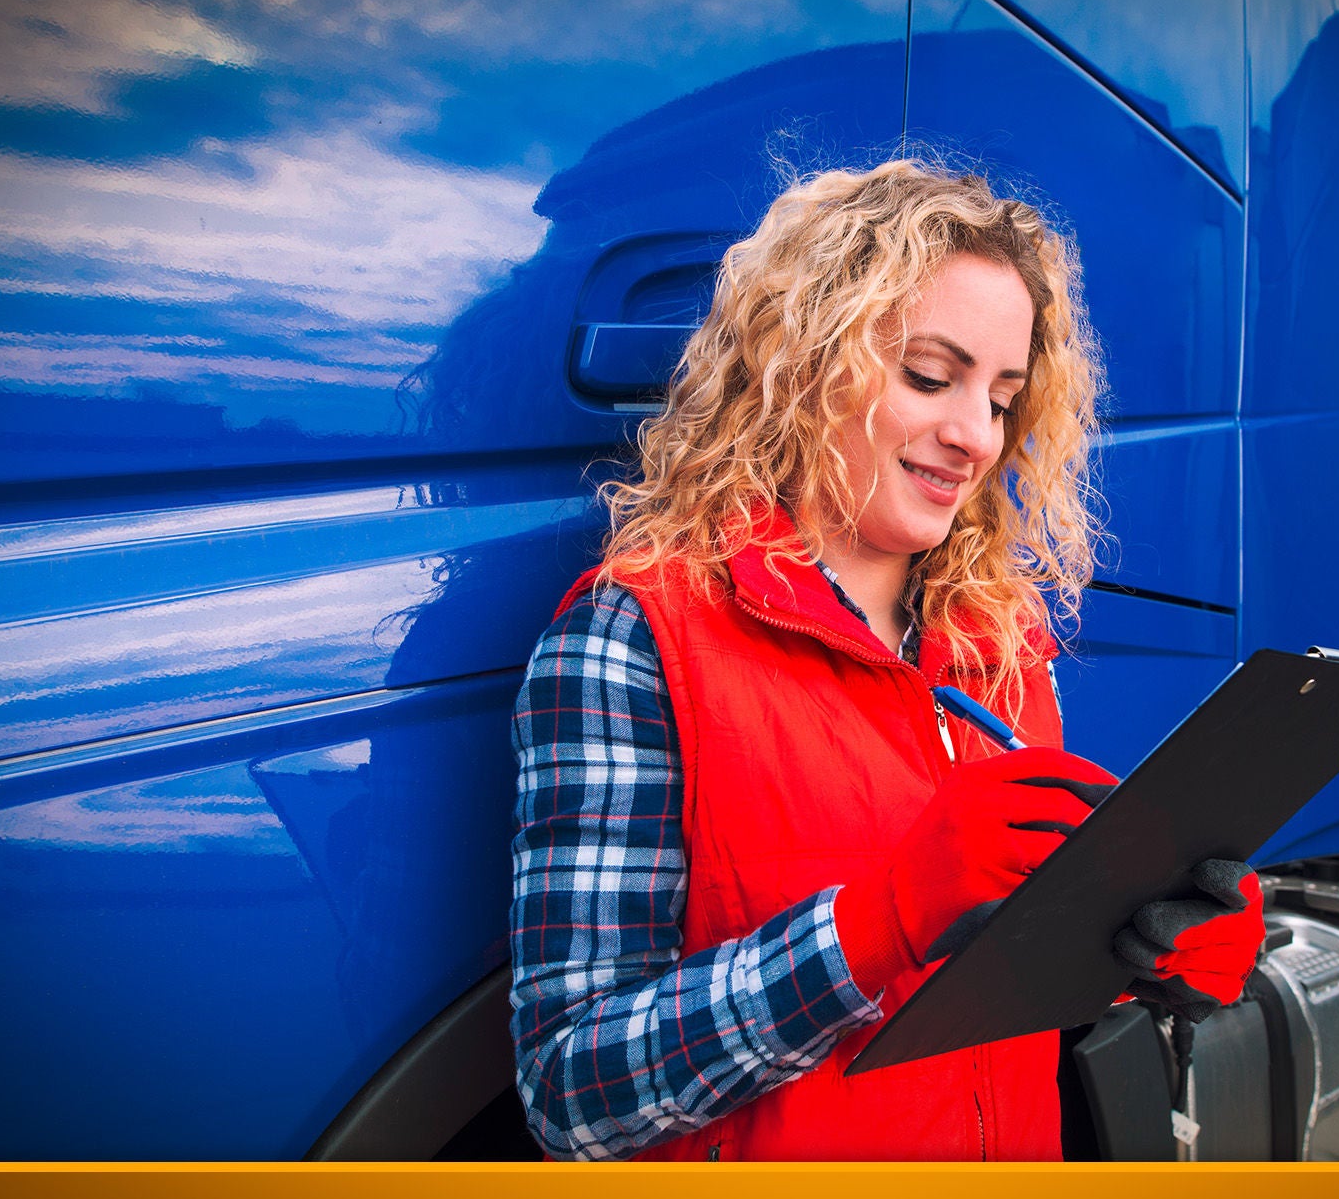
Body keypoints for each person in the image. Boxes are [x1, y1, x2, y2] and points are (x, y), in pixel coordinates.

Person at [508, 159, 1264, 1161]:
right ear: (807, 358)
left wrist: (1149, 948)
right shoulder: (638, 634)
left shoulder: (994, 641)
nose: (972, 436)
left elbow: (1002, 996)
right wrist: (874, 923)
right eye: (927, 375)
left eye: (1000, 396)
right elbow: (575, 1088)